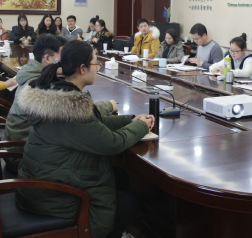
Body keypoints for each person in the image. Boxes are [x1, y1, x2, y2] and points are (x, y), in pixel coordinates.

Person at [15, 40, 154, 238]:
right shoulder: (71, 110)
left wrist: (130, 121)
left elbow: (93, 125)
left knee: (120, 177)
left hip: (42, 182)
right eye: (96, 63)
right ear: (82, 69)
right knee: (128, 204)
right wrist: (141, 126)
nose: (98, 68)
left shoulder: (58, 94)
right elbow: (112, 143)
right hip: (50, 197)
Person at [3, 34, 96, 173]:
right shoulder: (39, 86)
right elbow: (75, 110)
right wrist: (105, 106)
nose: (67, 62)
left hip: (17, 147)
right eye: (63, 58)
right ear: (47, 58)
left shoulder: (30, 73)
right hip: (22, 156)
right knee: (92, 156)